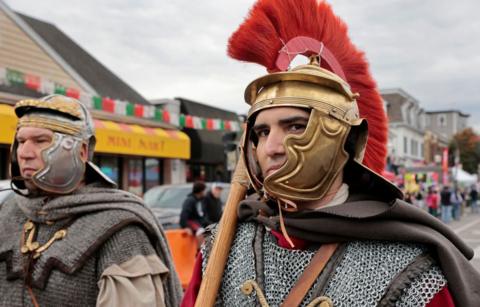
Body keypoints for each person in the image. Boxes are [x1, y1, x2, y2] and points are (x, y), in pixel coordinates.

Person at [181, 0, 480, 306]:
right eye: (263, 131)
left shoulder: (407, 267)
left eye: (295, 127)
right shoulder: (225, 246)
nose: (271, 148)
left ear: (344, 140)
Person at [0, 95, 182, 306]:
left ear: (82, 151)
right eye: (21, 141)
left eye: (41, 141)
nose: (25, 153)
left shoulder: (119, 228)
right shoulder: (8, 210)